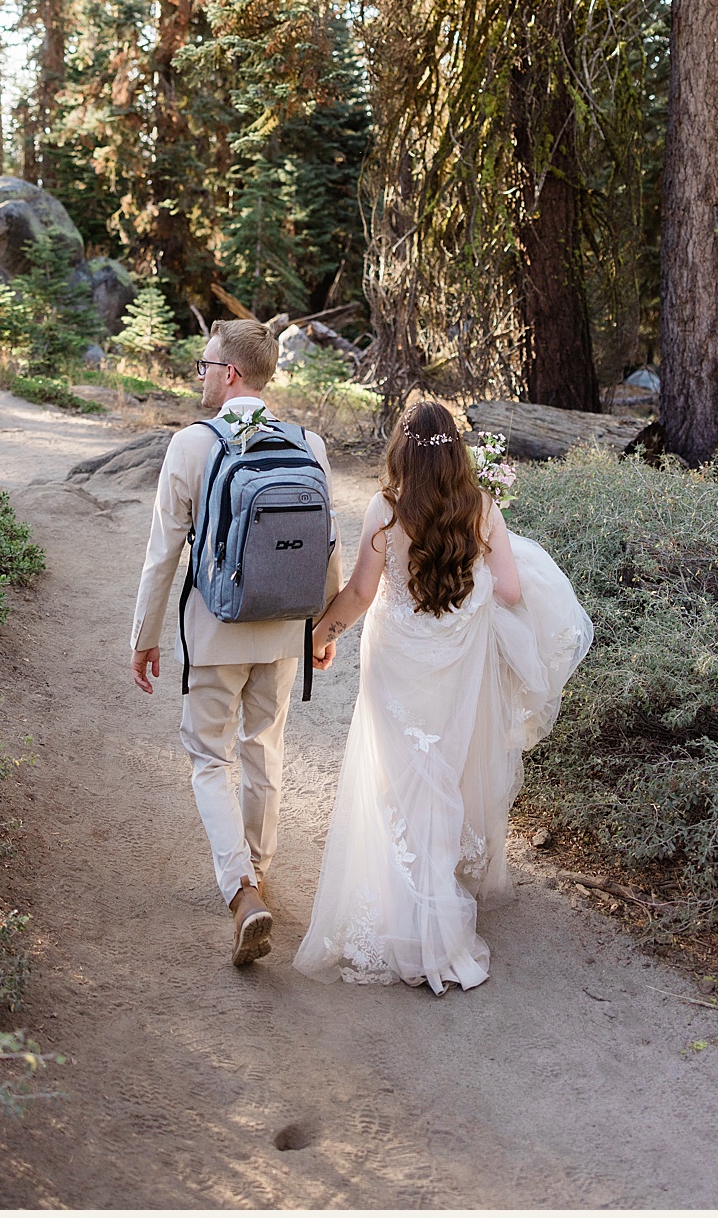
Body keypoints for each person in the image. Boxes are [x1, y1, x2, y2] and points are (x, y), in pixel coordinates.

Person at [294, 402, 592, 993]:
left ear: (402, 450)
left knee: (397, 784)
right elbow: (507, 589)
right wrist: (482, 573)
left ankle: (404, 917)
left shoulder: (387, 509)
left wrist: (319, 637)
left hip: (395, 665)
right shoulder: (481, 508)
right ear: (456, 449)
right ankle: (436, 920)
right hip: (455, 669)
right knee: (442, 780)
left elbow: (359, 592)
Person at [130, 318, 339, 967]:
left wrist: (144, 635)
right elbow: (325, 544)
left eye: (205, 364)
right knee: (263, 750)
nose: (200, 374)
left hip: (217, 627)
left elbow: (164, 550)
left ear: (232, 374)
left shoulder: (192, 445)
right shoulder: (310, 443)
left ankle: (243, 889)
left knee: (208, 757)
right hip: (283, 630)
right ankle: (260, 874)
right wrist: (321, 627)